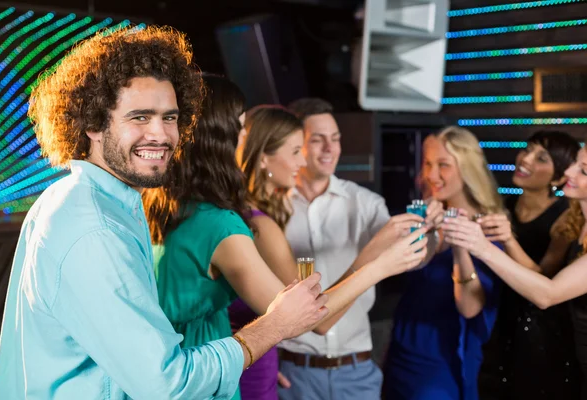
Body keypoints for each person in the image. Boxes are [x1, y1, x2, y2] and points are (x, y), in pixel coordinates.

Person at [0, 28, 330, 400]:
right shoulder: (94, 228)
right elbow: (167, 383)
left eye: (170, 117)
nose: (161, 134)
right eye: (140, 117)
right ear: (91, 123)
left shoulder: (94, 200)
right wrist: (274, 326)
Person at [142, 77, 429, 400]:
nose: (244, 142)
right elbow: (301, 316)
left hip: (176, 370)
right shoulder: (224, 226)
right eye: (241, 131)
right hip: (204, 378)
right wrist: (380, 265)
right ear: (220, 139)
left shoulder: (159, 205)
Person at [268, 98, 431, 400]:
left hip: (357, 371)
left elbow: (411, 258)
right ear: (294, 144)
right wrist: (261, 365)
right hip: (291, 373)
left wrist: (429, 231)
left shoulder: (366, 202)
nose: (330, 149)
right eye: (317, 140)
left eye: (336, 139)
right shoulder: (270, 209)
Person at [443, 143, 587, 400]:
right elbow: (544, 276)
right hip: (570, 357)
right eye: (575, 162)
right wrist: (506, 240)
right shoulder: (576, 222)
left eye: (583, 170)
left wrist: (483, 247)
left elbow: (548, 294)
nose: (571, 171)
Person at [382, 126, 505, 400]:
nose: (431, 175)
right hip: (401, 352)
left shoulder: (489, 228)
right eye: (427, 163)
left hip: (443, 362)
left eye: (443, 165)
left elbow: (471, 308)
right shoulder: (423, 213)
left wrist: (459, 246)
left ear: (467, 169)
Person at [478, 131, 581, 400]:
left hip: (541, 328)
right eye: (527, 150)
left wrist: (503, 241)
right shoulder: (506, 206)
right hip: (501, 314)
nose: (525, 159)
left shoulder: (564, 217)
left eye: (541, 157)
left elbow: (545, 282)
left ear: (558, 177)